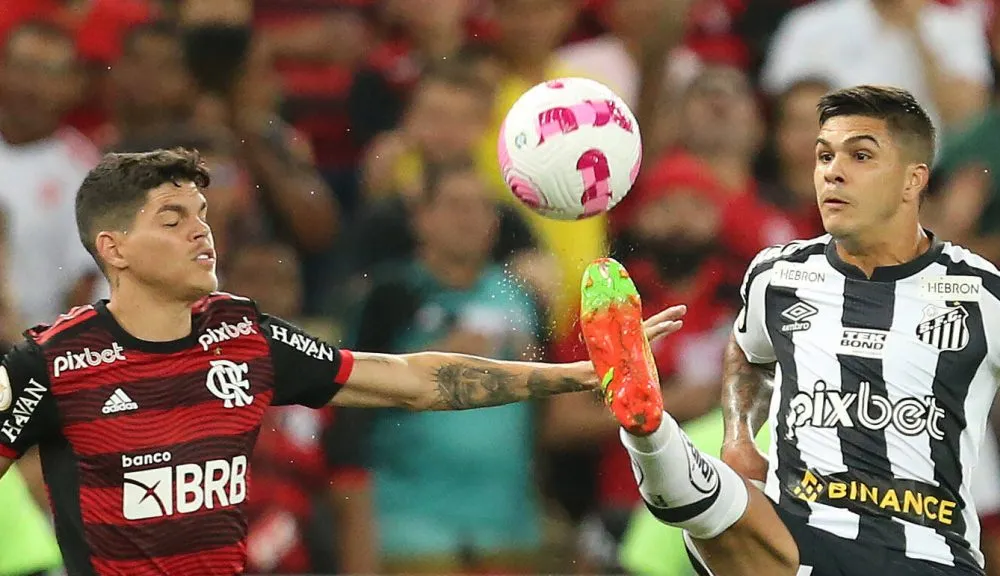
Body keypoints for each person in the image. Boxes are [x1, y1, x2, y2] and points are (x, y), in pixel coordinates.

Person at [0, 148, 686, 576]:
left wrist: (573, 376)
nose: (202, 231)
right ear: (114, 249)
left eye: (202, 212)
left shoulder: (242, 335)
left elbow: (410, 380)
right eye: (172, 219)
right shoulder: (51, 361)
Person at [580, 85, 1000, 576]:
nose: (833, 171)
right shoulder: (779, 275)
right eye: (824, 155)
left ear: (912, 180)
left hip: (926, 556)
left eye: (860, 155)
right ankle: (645, 426)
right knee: (710, 511)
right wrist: (739, 436)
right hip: (803, 541)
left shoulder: (980, 294)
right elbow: (749, 350)